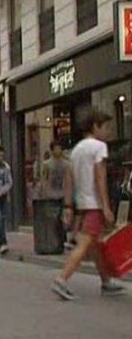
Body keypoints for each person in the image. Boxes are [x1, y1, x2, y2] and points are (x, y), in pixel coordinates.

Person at [51, 111, 126, 300]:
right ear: (95, 127)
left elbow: (69, 179)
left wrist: (69, 205)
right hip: (94, 203)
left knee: (97, 245)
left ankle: (106, 281)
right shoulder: (99, 147)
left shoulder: (76, 150)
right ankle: (61, 279)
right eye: (106, 127)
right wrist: (106, 206)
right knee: (84, 244)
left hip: (82, 203)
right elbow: (100, 177)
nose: (108, 131)